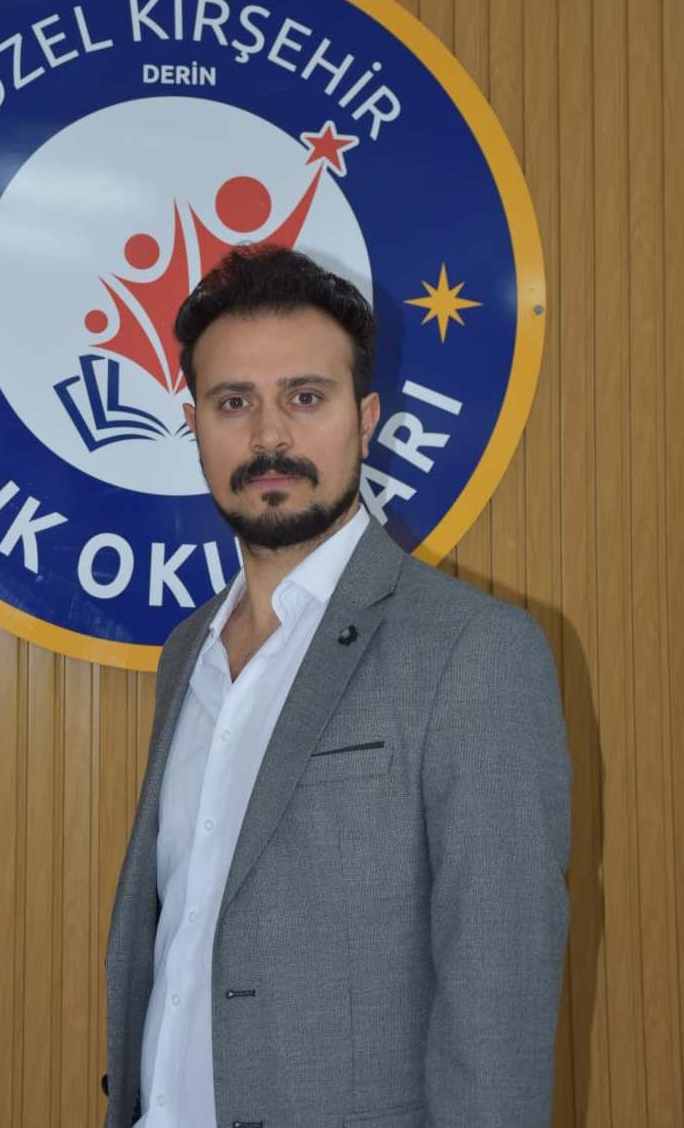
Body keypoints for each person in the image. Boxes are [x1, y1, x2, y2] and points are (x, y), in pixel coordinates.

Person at [103, 245, 570, 1128]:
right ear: (193, 424)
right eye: (233, 402)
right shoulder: (186, 653)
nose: (269, 437)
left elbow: (499, 997)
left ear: (367, 418)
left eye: (306, 398)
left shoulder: (475, 652)